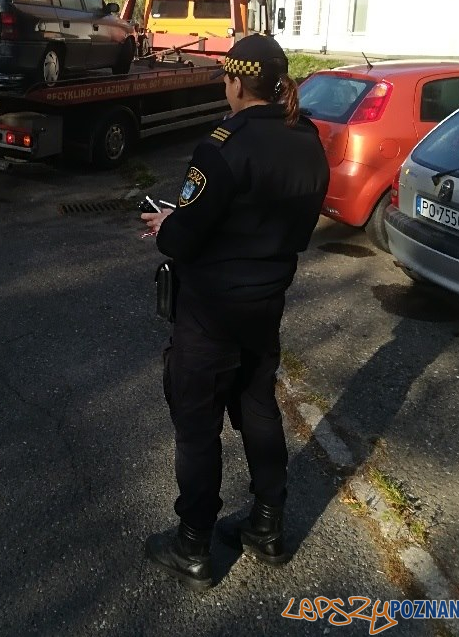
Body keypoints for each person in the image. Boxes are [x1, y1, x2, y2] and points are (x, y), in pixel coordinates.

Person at [140, 34, 329, 591]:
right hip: (266, 303)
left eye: (225, 78)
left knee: (197, 427)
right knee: (258, 407)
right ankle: (268, 526)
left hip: (210, 313)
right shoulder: (308, 139)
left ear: (236, 82)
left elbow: (182, 240)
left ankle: (193, 544)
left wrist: (168, 223)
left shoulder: (222, 147)